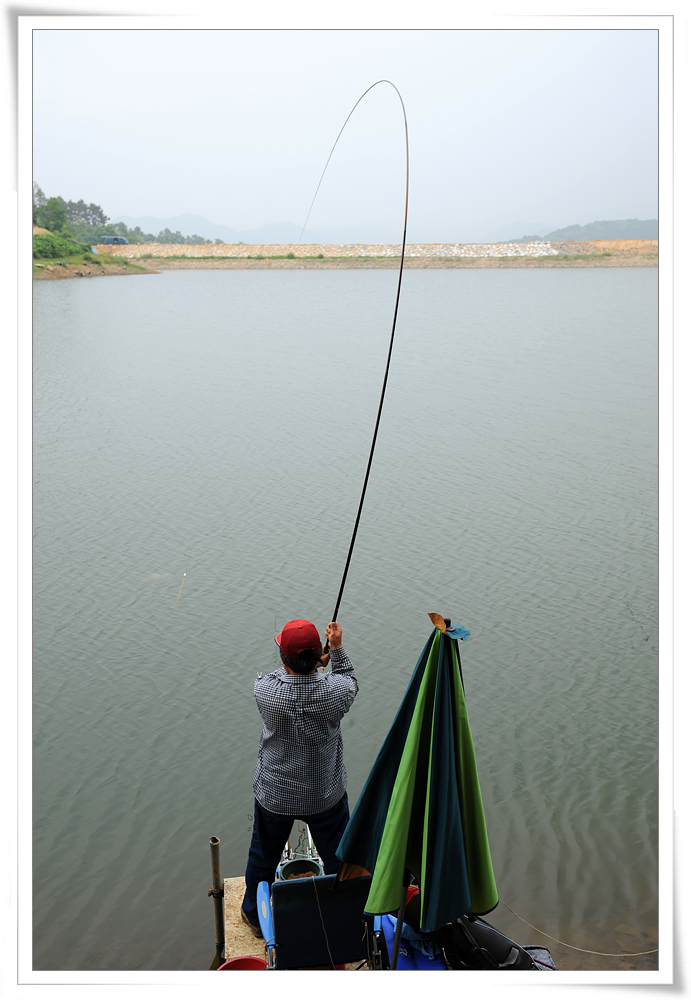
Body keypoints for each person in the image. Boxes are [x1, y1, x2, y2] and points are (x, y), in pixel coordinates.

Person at [240, 618, 358, 935]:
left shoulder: (265, 691)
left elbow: (280, 676)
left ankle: (254, 915)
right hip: (324, 795)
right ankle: (345, 914)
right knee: (338, 858)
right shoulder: (335, 692)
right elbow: (349, 679)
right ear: (317, 655)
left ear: (283, 659)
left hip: (275, 794)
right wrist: (336, 652)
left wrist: (312, 665)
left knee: (263, 857)